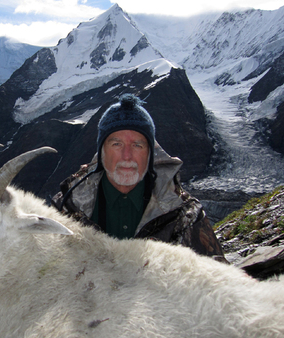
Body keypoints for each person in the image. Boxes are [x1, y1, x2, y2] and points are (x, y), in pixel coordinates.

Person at [52, 94, 227, 263]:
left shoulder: (185, 213)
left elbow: (215, 279)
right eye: (116, 144)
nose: (127, 156)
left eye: (138, 145)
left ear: (150, 153)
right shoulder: (66, 208)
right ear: (101, 151)